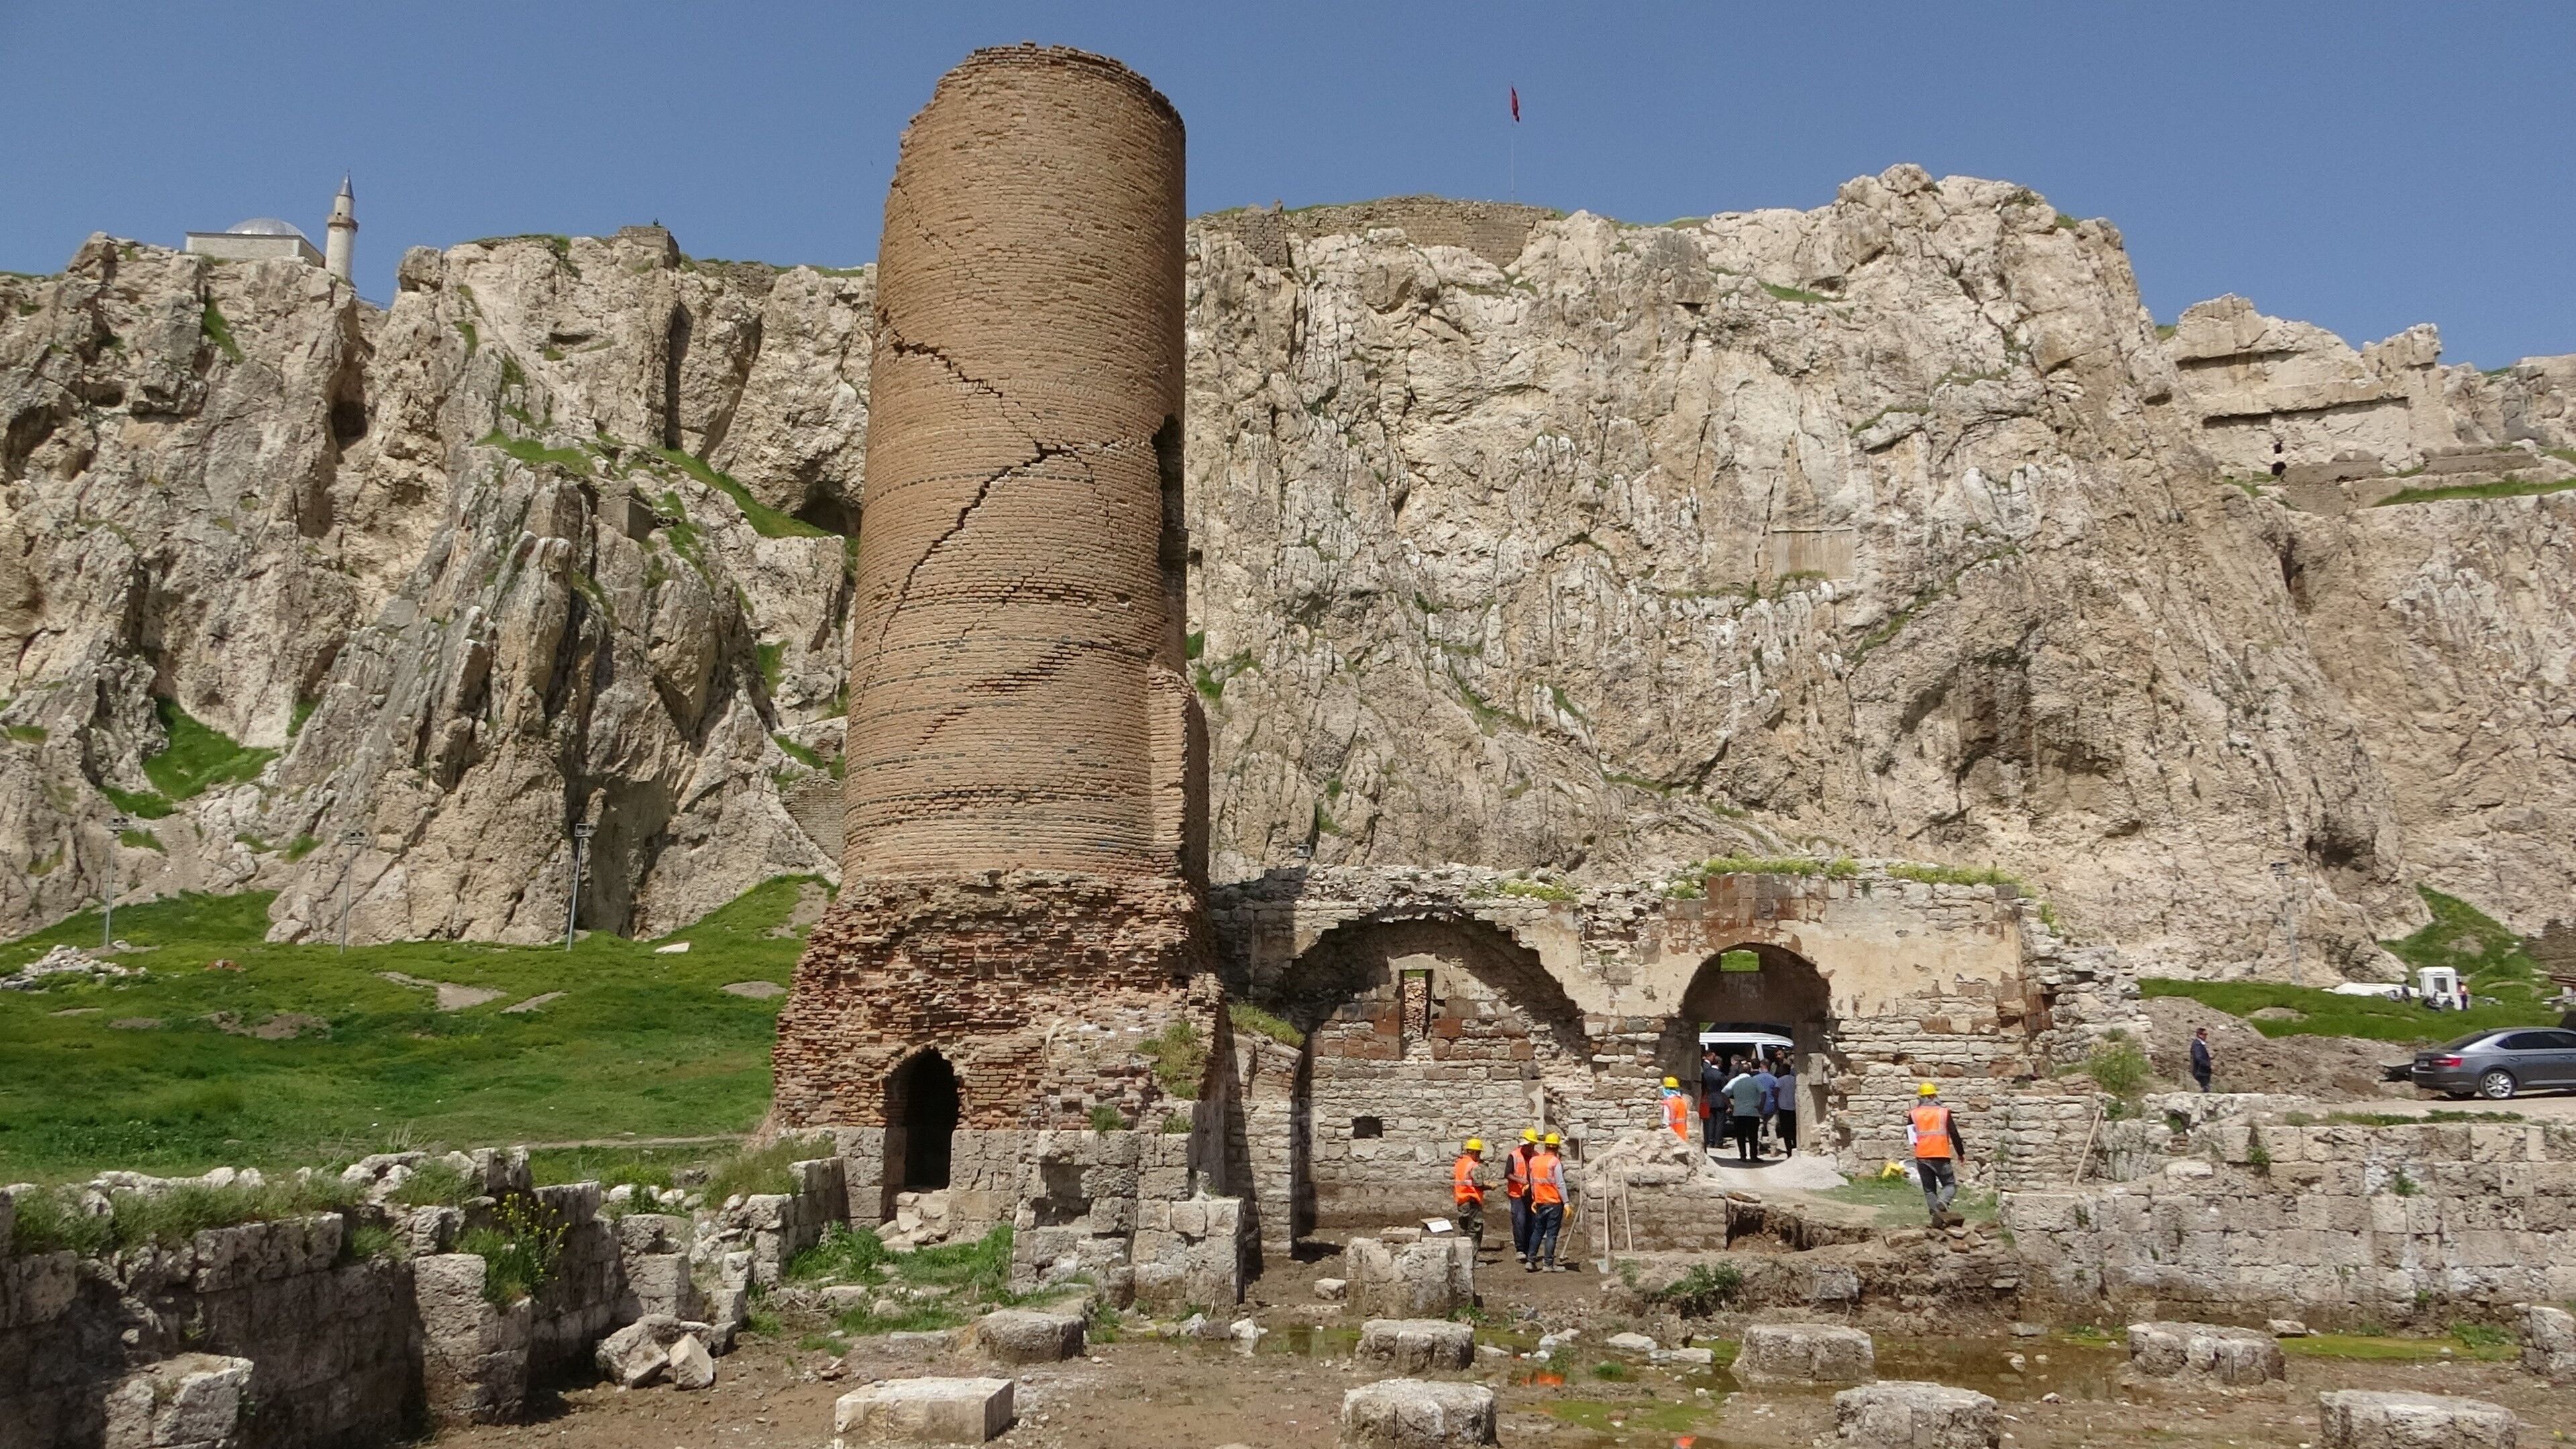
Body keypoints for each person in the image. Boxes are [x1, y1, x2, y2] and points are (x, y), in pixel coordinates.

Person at [1908, 1081, 1967, 1226]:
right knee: (1949, 1185)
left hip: (1922, 1155)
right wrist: (1960, 1153)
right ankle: (1942, 1202)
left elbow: (1911, 1136)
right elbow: (1953, 1133)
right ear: (1934, 1095)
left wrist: (1920, 1147)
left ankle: (1936, 1216)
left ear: (1920, 1097)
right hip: (1941, 1154)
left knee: (1929, 1189)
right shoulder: (1943, 1112)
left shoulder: (1914, 1113)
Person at [1527, 1132, 1568, 1271]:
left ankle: (1530, 1260)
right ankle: (1548, 1264)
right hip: (1554, 1202)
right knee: (1551, 1234)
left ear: (1545, 1147)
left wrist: (1534, 1198)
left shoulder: (1534, 1161)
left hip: (1540, 1201)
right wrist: (1567, 1202)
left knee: (1538, 1231)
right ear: (1557, 1148)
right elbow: (1560, 1184)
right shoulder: (1555, 1162)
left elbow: (1533, 1182)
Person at [1503, 1128, 1539, 1265]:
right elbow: (1508, 1173)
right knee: (1520, 1220)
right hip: (1517, 1194)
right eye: (1530, 1146)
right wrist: (1520, 1180)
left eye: (1533, 1146)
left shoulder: (1536, 1156)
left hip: (1532, 1195)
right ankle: (1520, 1249)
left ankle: (1530, 1249)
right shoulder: (1514, 1155)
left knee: (1532, 1222)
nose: (1531, 1149)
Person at [1723, 1059, 1765, 1164]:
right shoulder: (1754, 1081)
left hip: (1739, 1112)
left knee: (1740, 1136)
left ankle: (1743, 1156)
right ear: (1749, 1070)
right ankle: (1754, 1156)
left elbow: (1724, 1093)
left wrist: (1729, 1105)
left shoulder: (1735, 1081)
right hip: (1753, 1112)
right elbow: (1764, 1093)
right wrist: (1761, 1106)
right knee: (1753, 1136)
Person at [1451, 1138, 1487, 1252]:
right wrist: (1490, 1186)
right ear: (1475, 1152)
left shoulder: (1459, 1163)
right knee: (1474, 1231)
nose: (1480, 1156)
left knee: (1464, 1231)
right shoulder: (1473, 1166)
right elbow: (1479, 1184)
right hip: (1473, 1202)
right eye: (1479, 1153)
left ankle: (1462, 1258)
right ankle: (1473, 1260)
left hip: (1462, 1201)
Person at [1699, 1046, 1727, 1152]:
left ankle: (1710, 1141)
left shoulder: (1706, 1073)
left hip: (1709, 1099)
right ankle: (1718, 1141)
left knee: (1711, 1121)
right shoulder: (1720, 1075)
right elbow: (1725, 1089)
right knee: (1720, 1122)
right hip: (1720, 1100)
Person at [1752, 1056, 1780, 1159]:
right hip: (1771, 1106)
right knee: (1772, 1128)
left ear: (1761, 1066)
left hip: (1758, 1107)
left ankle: (1757, 1149)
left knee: (1758, 1128)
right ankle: (1773, 1150)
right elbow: (1777, 1094)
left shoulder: (1755, 1079)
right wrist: (1776, 1106)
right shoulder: (1774, 1079)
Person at [1772, 1054, 1799, 1157]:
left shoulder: (1780, 1080)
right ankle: (1796, 1145)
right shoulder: (1795, 1080)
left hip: (1783, 1108)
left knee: (1786, 1130)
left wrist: (1776, 1102)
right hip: (1794, 1107)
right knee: (1794, 1129)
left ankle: (1789, 1151)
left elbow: (1776, 1092)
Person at [1660, 1076, 1690, 1142]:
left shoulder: (1668, 1103)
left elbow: (1666, 1121)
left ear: (1666, 1089)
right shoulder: (1682, 1101)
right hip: (1682, 1135)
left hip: (1672, 1136)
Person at [2189, 1027, 2213, 1093]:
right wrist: (2207, 1065)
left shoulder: (2200, 1044)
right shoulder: (2198, 1045)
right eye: (2205, 1034)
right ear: (2200, 1035)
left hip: (2202, 1072)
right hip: (2201, 1072)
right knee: (2205, 1090)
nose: (2206, 1036)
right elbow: (2198, 1057)